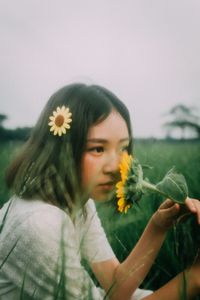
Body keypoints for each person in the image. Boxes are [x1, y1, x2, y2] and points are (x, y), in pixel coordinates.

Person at [0, 83, 199, 300]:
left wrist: (159, 225)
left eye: (123, 148)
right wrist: (195, 279)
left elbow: (115, 286)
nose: (116, 167)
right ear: (61, 148)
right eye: (97, 148)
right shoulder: (39, 223)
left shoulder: (78, 200)